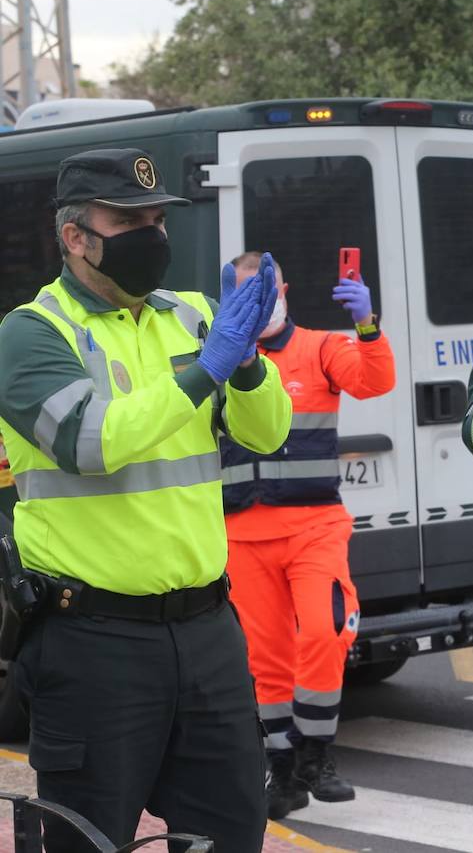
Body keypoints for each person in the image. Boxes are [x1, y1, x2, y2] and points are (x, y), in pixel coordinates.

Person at [0, 148, 291, 851]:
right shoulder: (30, 334)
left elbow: (267, 432)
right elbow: (90, 440)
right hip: (93, 642)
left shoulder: (192, 316)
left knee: (231, 834)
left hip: (207, 631)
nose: (152, 235)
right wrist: (207, 369)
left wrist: (246, 364)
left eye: (158, 219)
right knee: (91, 839)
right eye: (129, 221)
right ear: (75, 236)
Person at [219, 252, 395, 819]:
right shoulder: (217, 359)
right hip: (242, 533)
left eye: (266, 292)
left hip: (314, 526)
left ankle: (317, 754)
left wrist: (366, 325)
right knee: (263, 657)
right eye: (245, 295)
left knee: (324, 630)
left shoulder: (320, 348)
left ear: (285, 290)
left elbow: (375, 381)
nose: (259, 304)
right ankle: (284, 768)